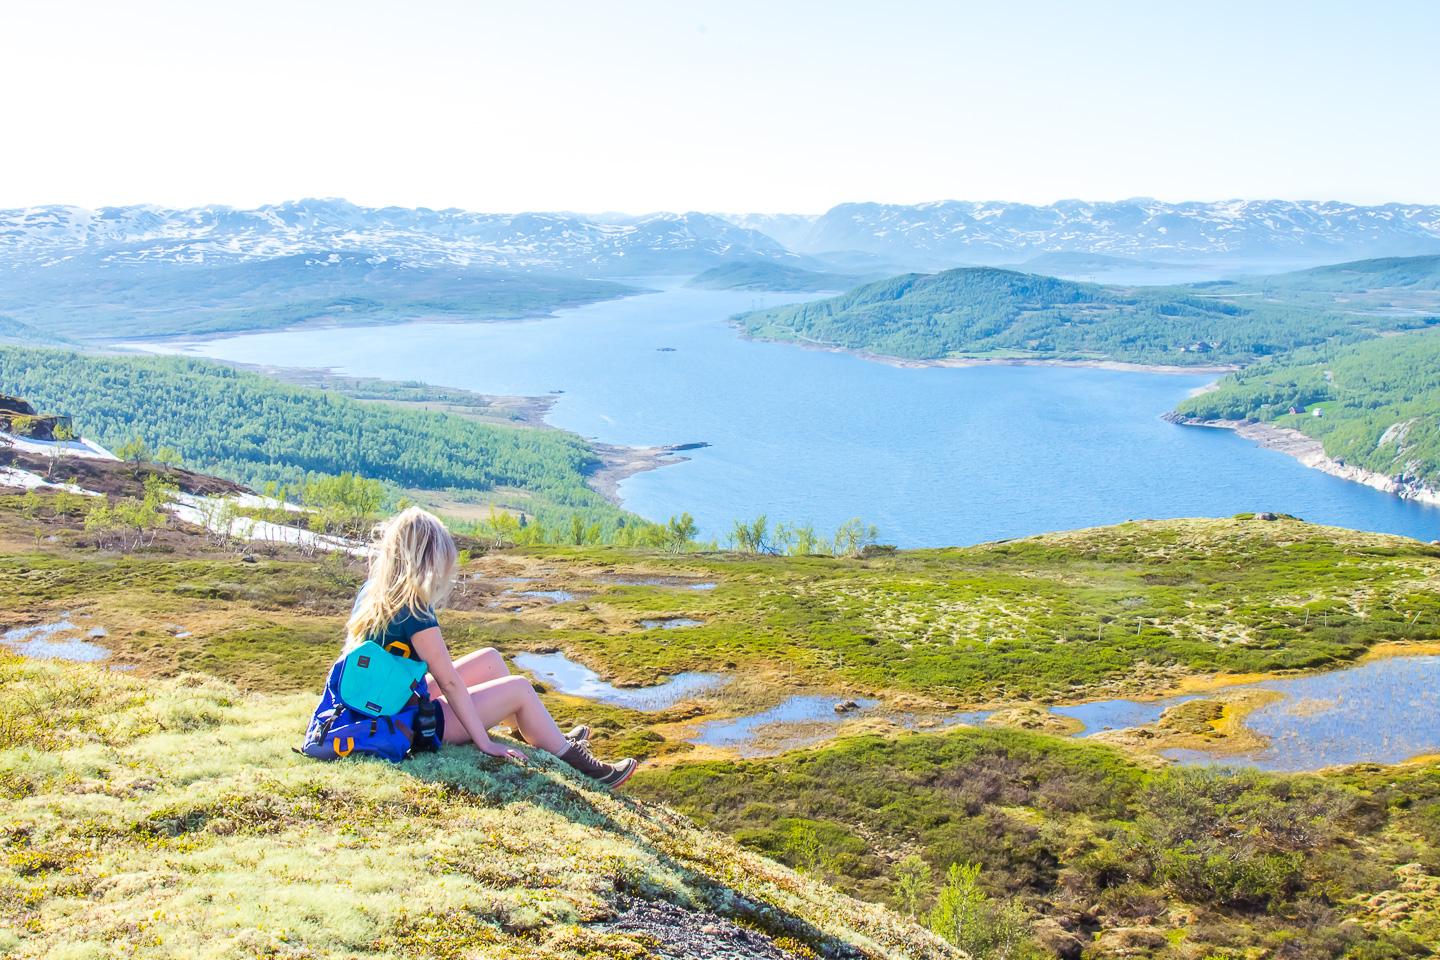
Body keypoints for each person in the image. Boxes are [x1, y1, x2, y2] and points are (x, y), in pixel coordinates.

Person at [343, 506, 637, 788]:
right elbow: (449, 683)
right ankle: (579, 763)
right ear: (428, 560)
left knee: (491, 660)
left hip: (382, 701)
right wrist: (484, 742)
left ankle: (534, 731)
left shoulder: (373, 592)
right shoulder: (415, 611)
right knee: (520, 689)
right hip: (404, 724)